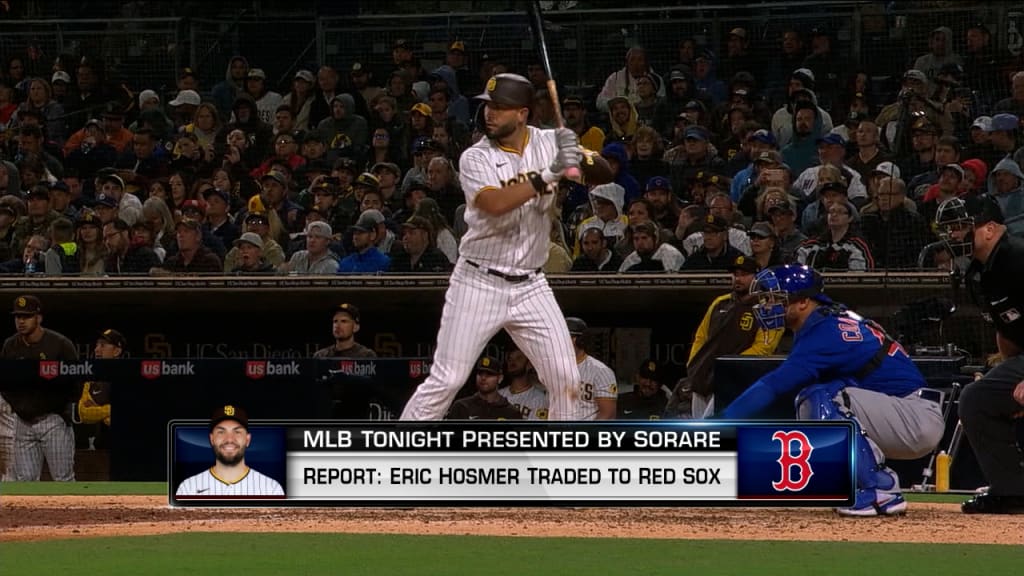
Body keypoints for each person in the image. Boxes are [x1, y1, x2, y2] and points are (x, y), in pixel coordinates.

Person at [399, 73, 611, 421]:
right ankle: (396, 459)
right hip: (478, 282)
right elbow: (495, 203)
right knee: (447, 380)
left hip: (531, 285)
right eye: (487, 106)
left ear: (523, 113)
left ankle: (559, 465)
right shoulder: (474, 157)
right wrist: (549, 173)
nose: (489, 114)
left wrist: (579, 153)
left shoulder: (549, 141)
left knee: (566, 379)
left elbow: (604, 172)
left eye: (499, 108)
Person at [721, 264, 945, 516]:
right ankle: (857, 485)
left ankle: (880, 489)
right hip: (902, 410)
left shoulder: (825, 330)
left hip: (914, 414)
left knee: (820, 397)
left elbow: (774, 385)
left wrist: (723, 422)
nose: (767, 305)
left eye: (776, 299)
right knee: (818, 396)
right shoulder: (829, 319)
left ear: (804, 301)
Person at [958, 198, 1024, 514]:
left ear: (989, 229)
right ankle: (1013, 491)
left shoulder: (1017, 257)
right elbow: (1008, 328)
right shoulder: (980, 272)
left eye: (962, 228)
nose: (956, 236)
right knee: (978, 399)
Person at [667, 255, 783, 419]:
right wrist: (695, 364)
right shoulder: (720, 302)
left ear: (757, 276)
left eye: (744, 274)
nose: (738, 278)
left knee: (714, 427)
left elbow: (763, 349)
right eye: (736, 274)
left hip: (735, 381)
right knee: (701, 430)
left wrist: (728, 368)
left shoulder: (768, 309)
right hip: (704, 378)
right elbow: (701, 336)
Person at [0, 295, 79, 481]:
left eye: (26, 317)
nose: (21, 321)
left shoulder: (60, 344)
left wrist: (57, 405)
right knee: (25, 481)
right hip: (22, 422)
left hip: (52, 420)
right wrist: (18, 406)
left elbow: (76, 381)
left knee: (63, 479)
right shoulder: (10, 346)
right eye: (18, 317)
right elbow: (3, 381)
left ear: (39, 318)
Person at [175, 405, 284, 497]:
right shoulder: (188, 487)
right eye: (221, 432)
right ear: (211, 439)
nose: (229, 439)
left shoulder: (271, 488)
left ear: (247, 439)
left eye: (237, 432)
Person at [76, 328, 125, 449]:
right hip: (102, 443)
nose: (96, 349)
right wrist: (110, 411)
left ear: (117, 351)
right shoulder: (91, 378)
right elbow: (84, 413)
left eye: (103, 345)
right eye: (97, 345)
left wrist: (99, 409)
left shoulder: (127, 377)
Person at [567, 317, 617, 420]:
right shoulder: (553, 369)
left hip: (586, 433)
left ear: (578, 340)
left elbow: (608, 415)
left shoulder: (601, 371)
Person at [446, 356, 523, 420]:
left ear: (500, 378)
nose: (483, 378)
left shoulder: (511, 413)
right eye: (480, 373)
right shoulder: (461, 407)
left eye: (489, 374)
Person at [312, 303, 376, 358]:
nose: (337, 325)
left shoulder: (366, 356)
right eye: (335, 321)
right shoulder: (321, 356)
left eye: (344, 321)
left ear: (356, 327)